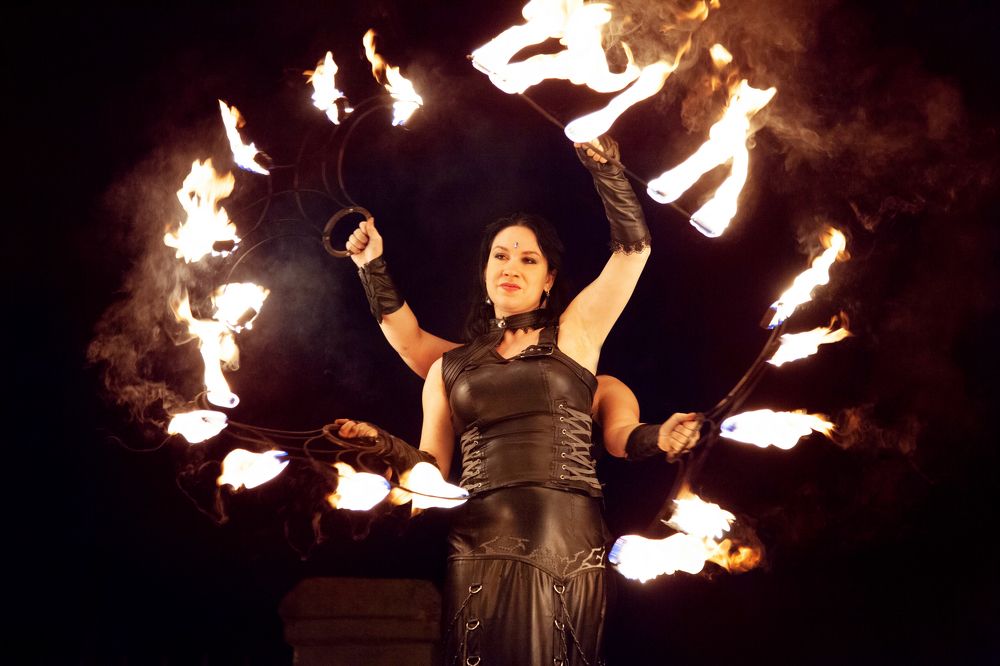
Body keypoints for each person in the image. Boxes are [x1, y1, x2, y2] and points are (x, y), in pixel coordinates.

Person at [337, 137, 698, 664]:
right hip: (477, 544)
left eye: (528, 259)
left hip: (565, 541)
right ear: (485, 273)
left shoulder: (576, 337)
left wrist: (607, 172)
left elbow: (633, 252)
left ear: (548, 280)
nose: (511, 267)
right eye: (500, 256)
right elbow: (429, 472)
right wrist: (383, 444)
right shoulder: (450, 368)